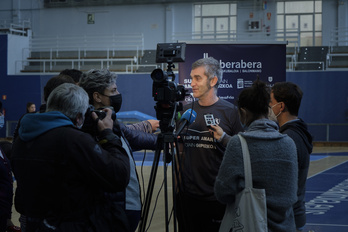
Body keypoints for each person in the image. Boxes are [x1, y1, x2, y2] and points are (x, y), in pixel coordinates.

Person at [11, 83, 131, 232]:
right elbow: (118, 175)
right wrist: (108, 134)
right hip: (71, 224)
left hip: (36, 224)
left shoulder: (22, 138)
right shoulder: (74, 140)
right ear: (79, 117)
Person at [214, 79, 298, 232]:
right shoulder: (289, 143)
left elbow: (222, 192)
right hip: (287, 226)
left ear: (243, 112)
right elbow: (292, 193)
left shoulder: (238, 143)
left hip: (252, 224)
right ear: (268, 110)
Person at [79, 69, 158, 232]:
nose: (118, 94)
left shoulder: (110, 122)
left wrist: (166, 141)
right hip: (114, 210)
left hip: (124, 207)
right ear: (97, 97)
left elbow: (134, 137)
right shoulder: (92, 128)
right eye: (113, 91)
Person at [176, 57, 243, 232]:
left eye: (198, 78)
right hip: (188, 198)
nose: (192, 83)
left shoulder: (231, 113)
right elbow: (179, 151)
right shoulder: (185, 112)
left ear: (213, 81)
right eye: (191, 78)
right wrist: (178, 188)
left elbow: (241, 152)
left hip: (218, 199)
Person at [270, 82, 313, 232]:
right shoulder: (299, 132)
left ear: (280, 107)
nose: (268, 107)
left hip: (287, 219)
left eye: (271, 102)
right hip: (295, 215)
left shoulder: (289, 138)